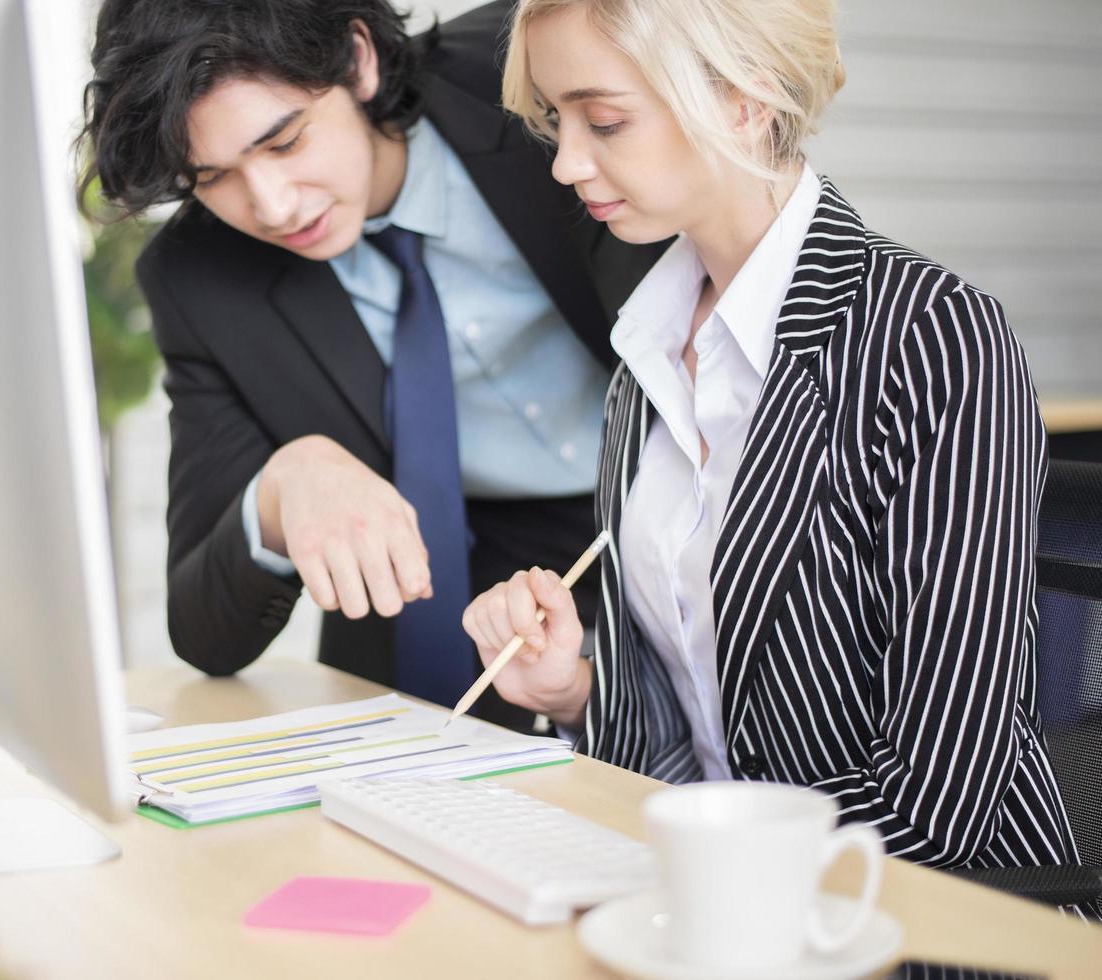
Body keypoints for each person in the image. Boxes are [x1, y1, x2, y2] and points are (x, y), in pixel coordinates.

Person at [463, 0, 1081, 871]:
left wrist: (698, 890)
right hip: (698, 902)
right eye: (558, 122)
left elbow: (943, 800)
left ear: (745, 101)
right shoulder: (647, 348)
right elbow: (685, 730)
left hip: (902, 920)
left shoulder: (933, 340)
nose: (565, 162)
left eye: (603, 121)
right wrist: (575, 693)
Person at [78, 0, 664, 729]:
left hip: (700, 547)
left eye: (285, 142)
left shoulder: (542, 64)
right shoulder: (198, 275)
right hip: (466, 642)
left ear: (358, 59)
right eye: (212, 177)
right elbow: (204, 631)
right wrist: (282, 488)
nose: (272, 206)